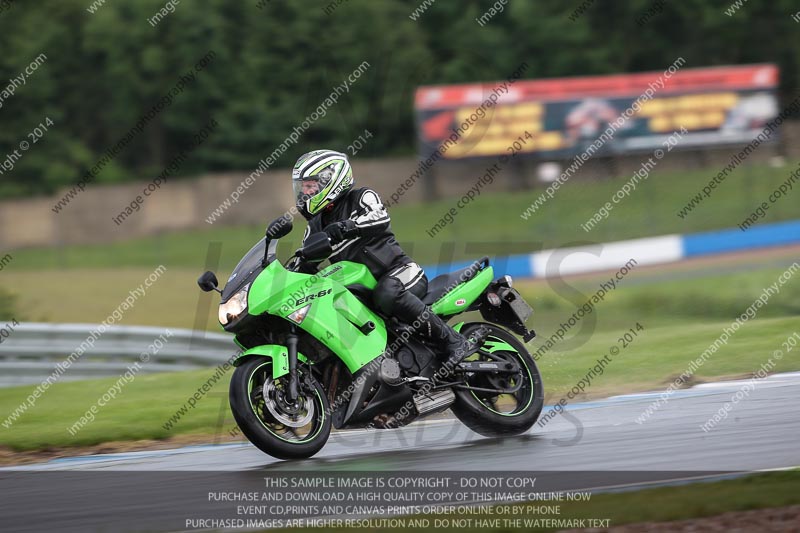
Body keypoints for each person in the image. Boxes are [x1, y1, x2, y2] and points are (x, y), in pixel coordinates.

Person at [289, 149, 487, 364]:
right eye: (302, 187)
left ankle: (454, 342)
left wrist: (348, 226)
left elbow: (380, 218)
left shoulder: (361, 197)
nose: (304, 193)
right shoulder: (314, 227)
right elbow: (305, 260)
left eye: (310, 185)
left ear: (331, 178)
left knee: (387, 292)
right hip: (361, 290)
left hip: (400, 272)